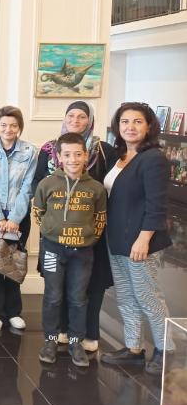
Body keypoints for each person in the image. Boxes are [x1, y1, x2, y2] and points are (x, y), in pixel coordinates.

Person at [33, 100, 116, 352]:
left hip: (87, 237)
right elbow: (39, 205)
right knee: (54, 291)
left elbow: (107, 193)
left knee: (84, 290)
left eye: (82, 116)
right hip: (55, 241)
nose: (76, 121)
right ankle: (55, 333)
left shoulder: (103, 150)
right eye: (71, 115)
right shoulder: (49, 149)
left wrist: (92, 233)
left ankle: (83, 336)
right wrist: (51, 228)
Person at [100, 102, 173, 375]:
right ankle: (133, 349)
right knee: (126, 296)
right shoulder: (119, 156)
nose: (130, 127)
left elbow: (157, 205)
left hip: (141, 241)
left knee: (147, 296)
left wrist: (144, 239)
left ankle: (165, 351)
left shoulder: (153, 158)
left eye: (137, 121)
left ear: (149, 126)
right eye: (125, 122)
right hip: (117, 238)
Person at [0, 106, 37, 331]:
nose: (8, 129)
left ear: (19, 127)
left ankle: (13, 312)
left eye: (13, 125)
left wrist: (14, 218)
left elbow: (27, 187)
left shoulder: (30, 152)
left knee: (13, 262)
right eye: (4, 125)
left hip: (18, 217)